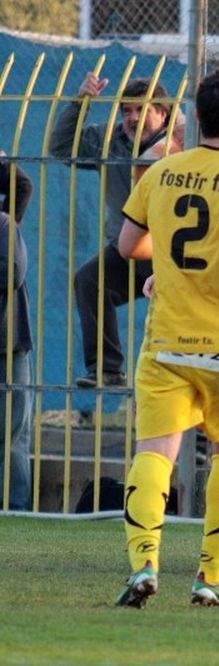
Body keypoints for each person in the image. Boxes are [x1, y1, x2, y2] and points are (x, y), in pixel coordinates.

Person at [113, 66, 219, 609]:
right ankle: (210, 575)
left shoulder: (160, 171)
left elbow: (127, 244)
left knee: (154, 453)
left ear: (197, 115)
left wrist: (168, 262)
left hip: (165, 340)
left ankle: (143, 564)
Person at [50, 73, 173, 387]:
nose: (132, 118)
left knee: (174, 320)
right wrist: (82, 102)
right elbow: (61, 148)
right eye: (127, 111)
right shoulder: (110, 139)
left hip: (171, 255)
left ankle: (177, 384)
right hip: (127, 246)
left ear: (164, 113)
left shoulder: (180, 144)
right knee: (90, 281)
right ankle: (107, 369)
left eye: (141, 110)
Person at [0, 157, 34, 511]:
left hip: (9, 342)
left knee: (12, 434)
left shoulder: (5, 224)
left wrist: (4, 164)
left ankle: (16, 508)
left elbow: (11, 273)